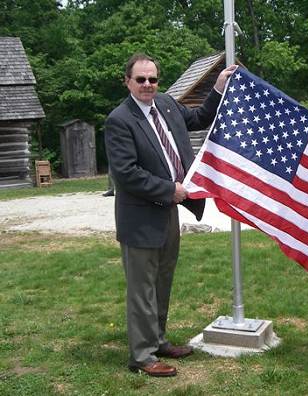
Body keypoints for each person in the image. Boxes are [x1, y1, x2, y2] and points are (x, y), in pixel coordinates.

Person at [105, 53, 235, 377]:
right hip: (140, 219)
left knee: (162, 282)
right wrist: (170, 190)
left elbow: (199, 118)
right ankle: (142, 356)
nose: (148, 84)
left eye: (153, 79)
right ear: (127, 82)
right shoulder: (119, 120)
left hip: (168, 216)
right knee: (142, 290)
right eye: (141, 79)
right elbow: (126, 173)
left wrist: (218, 89)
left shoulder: (165, 104)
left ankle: (159, 341)